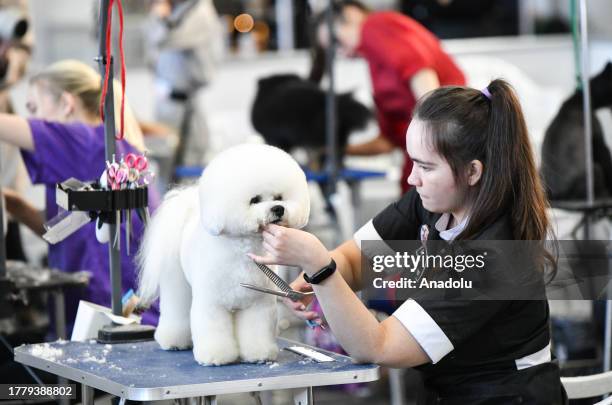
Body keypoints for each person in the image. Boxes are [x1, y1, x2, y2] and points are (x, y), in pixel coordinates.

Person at [250, 80, 568, 404]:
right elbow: (355, 260)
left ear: (473, 172)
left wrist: (319, 267)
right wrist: (314, 280)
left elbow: (378, 345)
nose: (412, 178)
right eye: (412, 161)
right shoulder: (432, 202)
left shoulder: (492, 259)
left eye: (426, 167)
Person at [0, 59, 160, 329]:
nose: (30, 119)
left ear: (66, 104)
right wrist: (15, 205)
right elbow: (65, 230)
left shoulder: (85, 141)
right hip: (115, 313)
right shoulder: (96, 150)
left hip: (120, 320)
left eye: (33, 108)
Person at [310, 1, 466, 194]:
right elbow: (388, 142)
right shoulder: (376, 62)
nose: (341, 53)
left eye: (336, 42)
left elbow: (420, 72)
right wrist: (336, 149)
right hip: (425, 164)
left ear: (351, 14)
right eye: (333, 52)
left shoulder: (375, 26)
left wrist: (432, 125)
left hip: (444, 152)